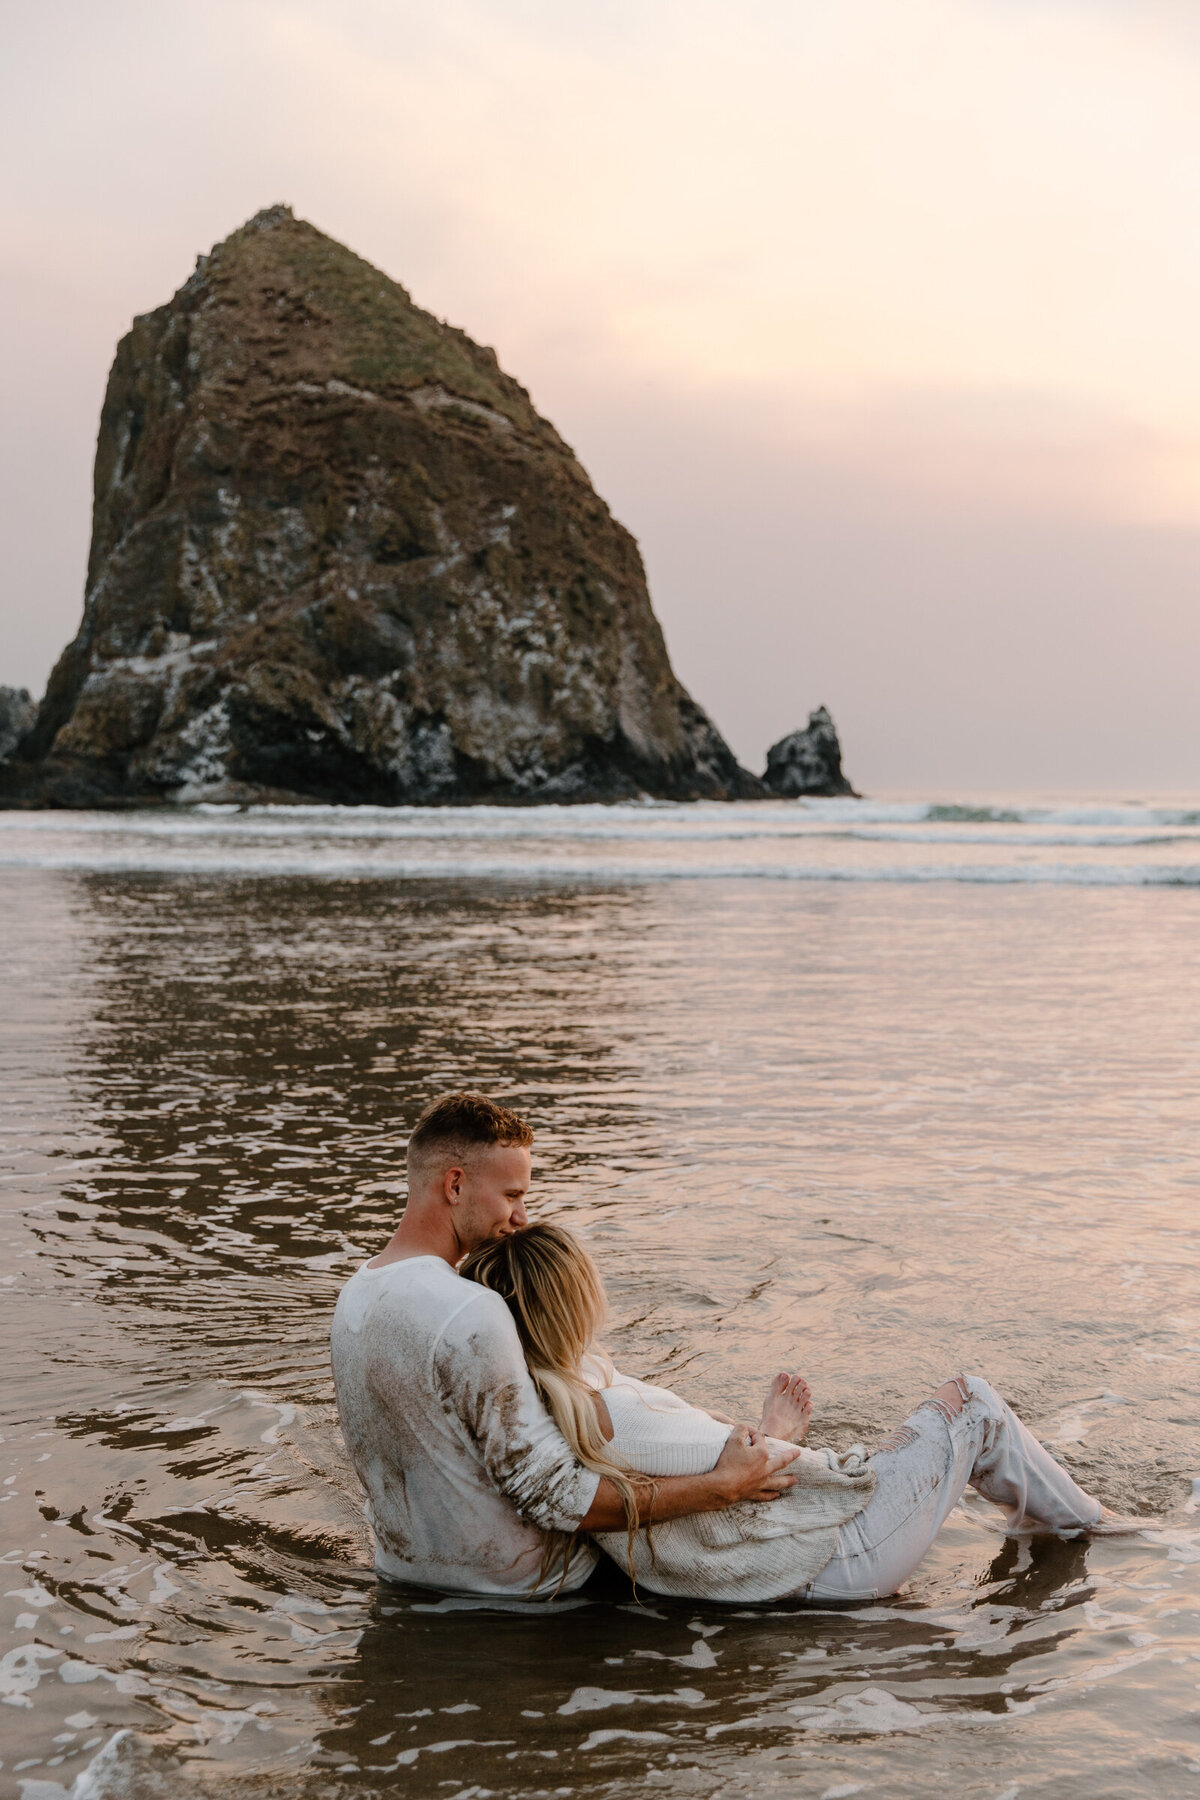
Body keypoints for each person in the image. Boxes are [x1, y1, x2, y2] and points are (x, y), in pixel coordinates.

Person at [461, 1221, 1134, 1605]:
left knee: (911, 1439)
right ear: (576, 1301)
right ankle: (1102, 1529)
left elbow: (720, 1476)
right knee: (972, 1401)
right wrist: (788, 1444)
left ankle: (1041, 1526)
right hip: (835, 1563)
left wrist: (762, 1443)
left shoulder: (550, 1401)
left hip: (767, 1573)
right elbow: (757, 1476)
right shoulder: (614, 1412)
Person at [330, 1093, 801, 1598]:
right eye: (512, 1195)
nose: (521, 1217)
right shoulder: (468, 1308)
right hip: (530, 1594)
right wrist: (718, 1490)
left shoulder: (355, 1294)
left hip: (406, 1577)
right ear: (455, 1184)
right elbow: (556, 1498)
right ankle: (764, 1451)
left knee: (588, 1401)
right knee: (606, 1421)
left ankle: (755, 1443)